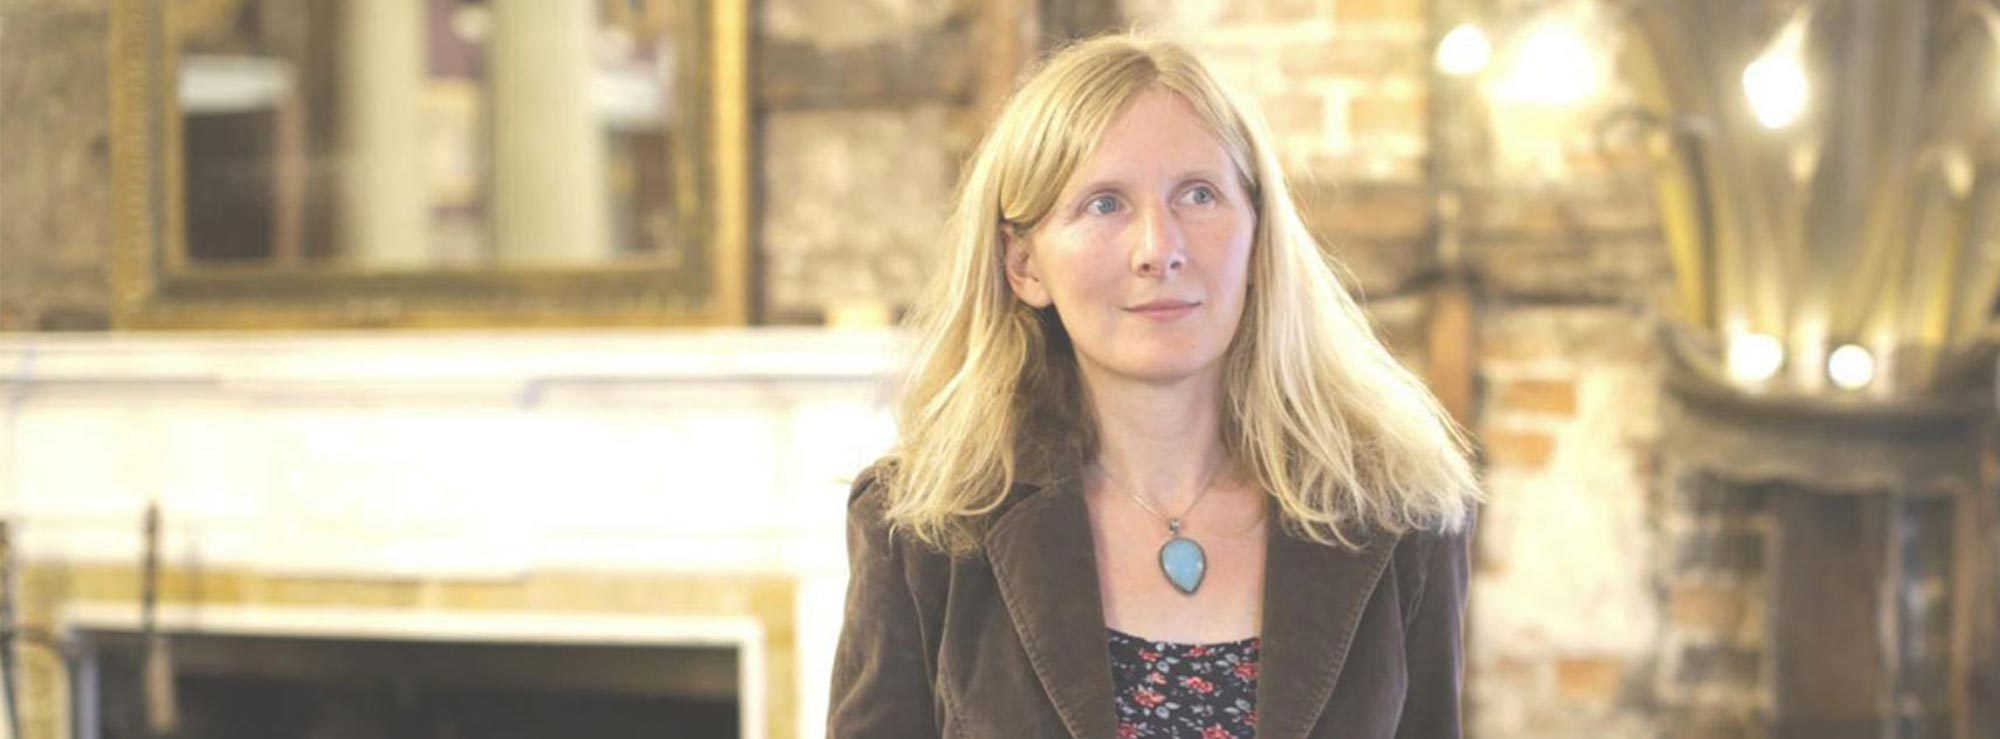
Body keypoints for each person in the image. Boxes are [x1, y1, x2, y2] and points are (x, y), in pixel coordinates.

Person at [827, 32, 1484, 739]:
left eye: (1198, 195)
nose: (1159, 249)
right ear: (1025, 266)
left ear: (1259, 237)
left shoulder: (1398, 513)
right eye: (1105, 204)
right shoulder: (923, 526)